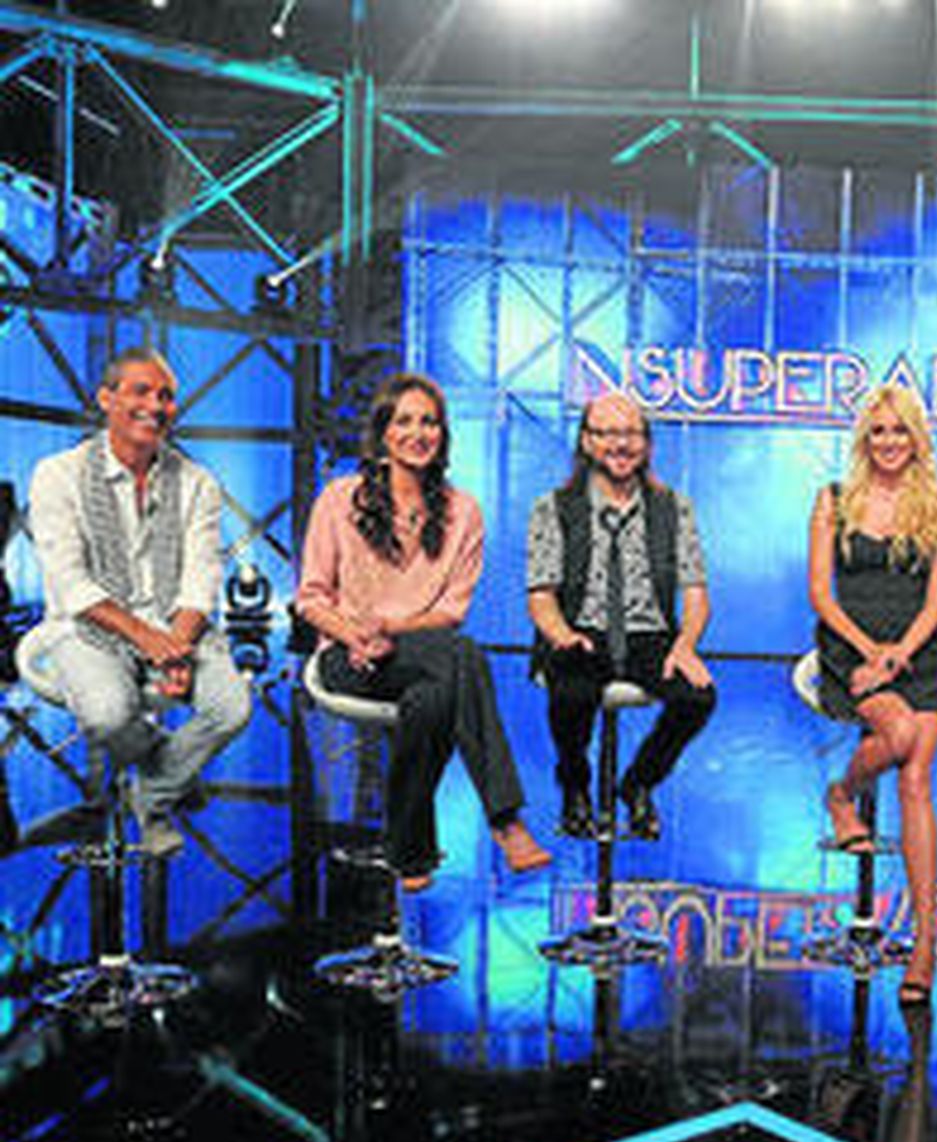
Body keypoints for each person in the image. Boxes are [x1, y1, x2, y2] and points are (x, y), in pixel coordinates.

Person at [297, 372, 550, 890]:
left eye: (430, 422)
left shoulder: (462, 512)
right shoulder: (340, 499)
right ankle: (506, 820)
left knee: (433, 696)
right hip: (349, 657)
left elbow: (451, 611)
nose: (418, 433)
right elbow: (311, 598)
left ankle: (409, 847)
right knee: (464, 658)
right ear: (384, 433)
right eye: (405, 420)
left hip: (421, 652)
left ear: (443, 435)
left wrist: (388, 626)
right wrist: (356, 635)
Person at [27, 346, 253, 858]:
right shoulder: (57, 475)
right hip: (89, 625)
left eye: (167, 395)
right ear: (106, 398)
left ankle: (150, 794)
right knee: (108, 714)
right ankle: (165, 770)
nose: (156, 404)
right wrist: (152, 643)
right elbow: (70, 583)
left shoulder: (198, 482)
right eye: (141, 391)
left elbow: (202, 576)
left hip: (175, 627)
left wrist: (176, 643)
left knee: (233, 706)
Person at [809, 383, 937, 1005]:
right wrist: (870, 652)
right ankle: (841, 793)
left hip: (920, 649)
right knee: (896, 737)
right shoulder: (833, 500)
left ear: (917, 438)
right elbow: (821, 592)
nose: (890, 442)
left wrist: (899, 654)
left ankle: (924, 945)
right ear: (863, 439)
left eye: (900, 431)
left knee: (916, 778)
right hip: (852, 645)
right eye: (879, 431)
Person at [526, 392, 716, 841]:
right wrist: (561, 635)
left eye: (630, 433)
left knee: (698, 697)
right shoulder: (553, 507)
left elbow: (695, 592)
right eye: (607, 433)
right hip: (578, 629)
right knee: (571, 692)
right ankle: (575, 787)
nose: (620, 444)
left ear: (647, 444)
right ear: (587, 442)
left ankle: (638, 784)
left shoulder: (674, 508)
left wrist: (685, 645)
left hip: (649, 635)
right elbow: (541, 596)